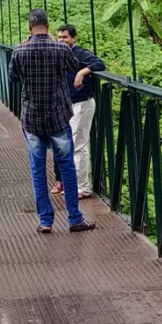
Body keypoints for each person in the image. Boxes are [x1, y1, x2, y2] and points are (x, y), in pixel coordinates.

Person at [9, 10, 96, 234]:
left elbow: (13, 77)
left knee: (38, 169)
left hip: (32, 118)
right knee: (66, 165)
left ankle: (46, 221)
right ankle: (74, 219)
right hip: (58, 116)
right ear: (48, 26)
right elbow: (73, 66)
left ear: (30, 28)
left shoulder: (19, 51)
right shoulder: (60, 48)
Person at [56, 23, 104, 198]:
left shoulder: (80, 53)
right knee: (69, 145)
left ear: (74, 38)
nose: (61, 40)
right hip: (67, 105)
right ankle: (72, 185)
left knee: (78, 145)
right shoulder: (60, 53)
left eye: (65, 37)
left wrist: (81, 72)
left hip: (81, 104)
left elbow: (99, 63)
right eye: (59, 37)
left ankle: (82, 187)